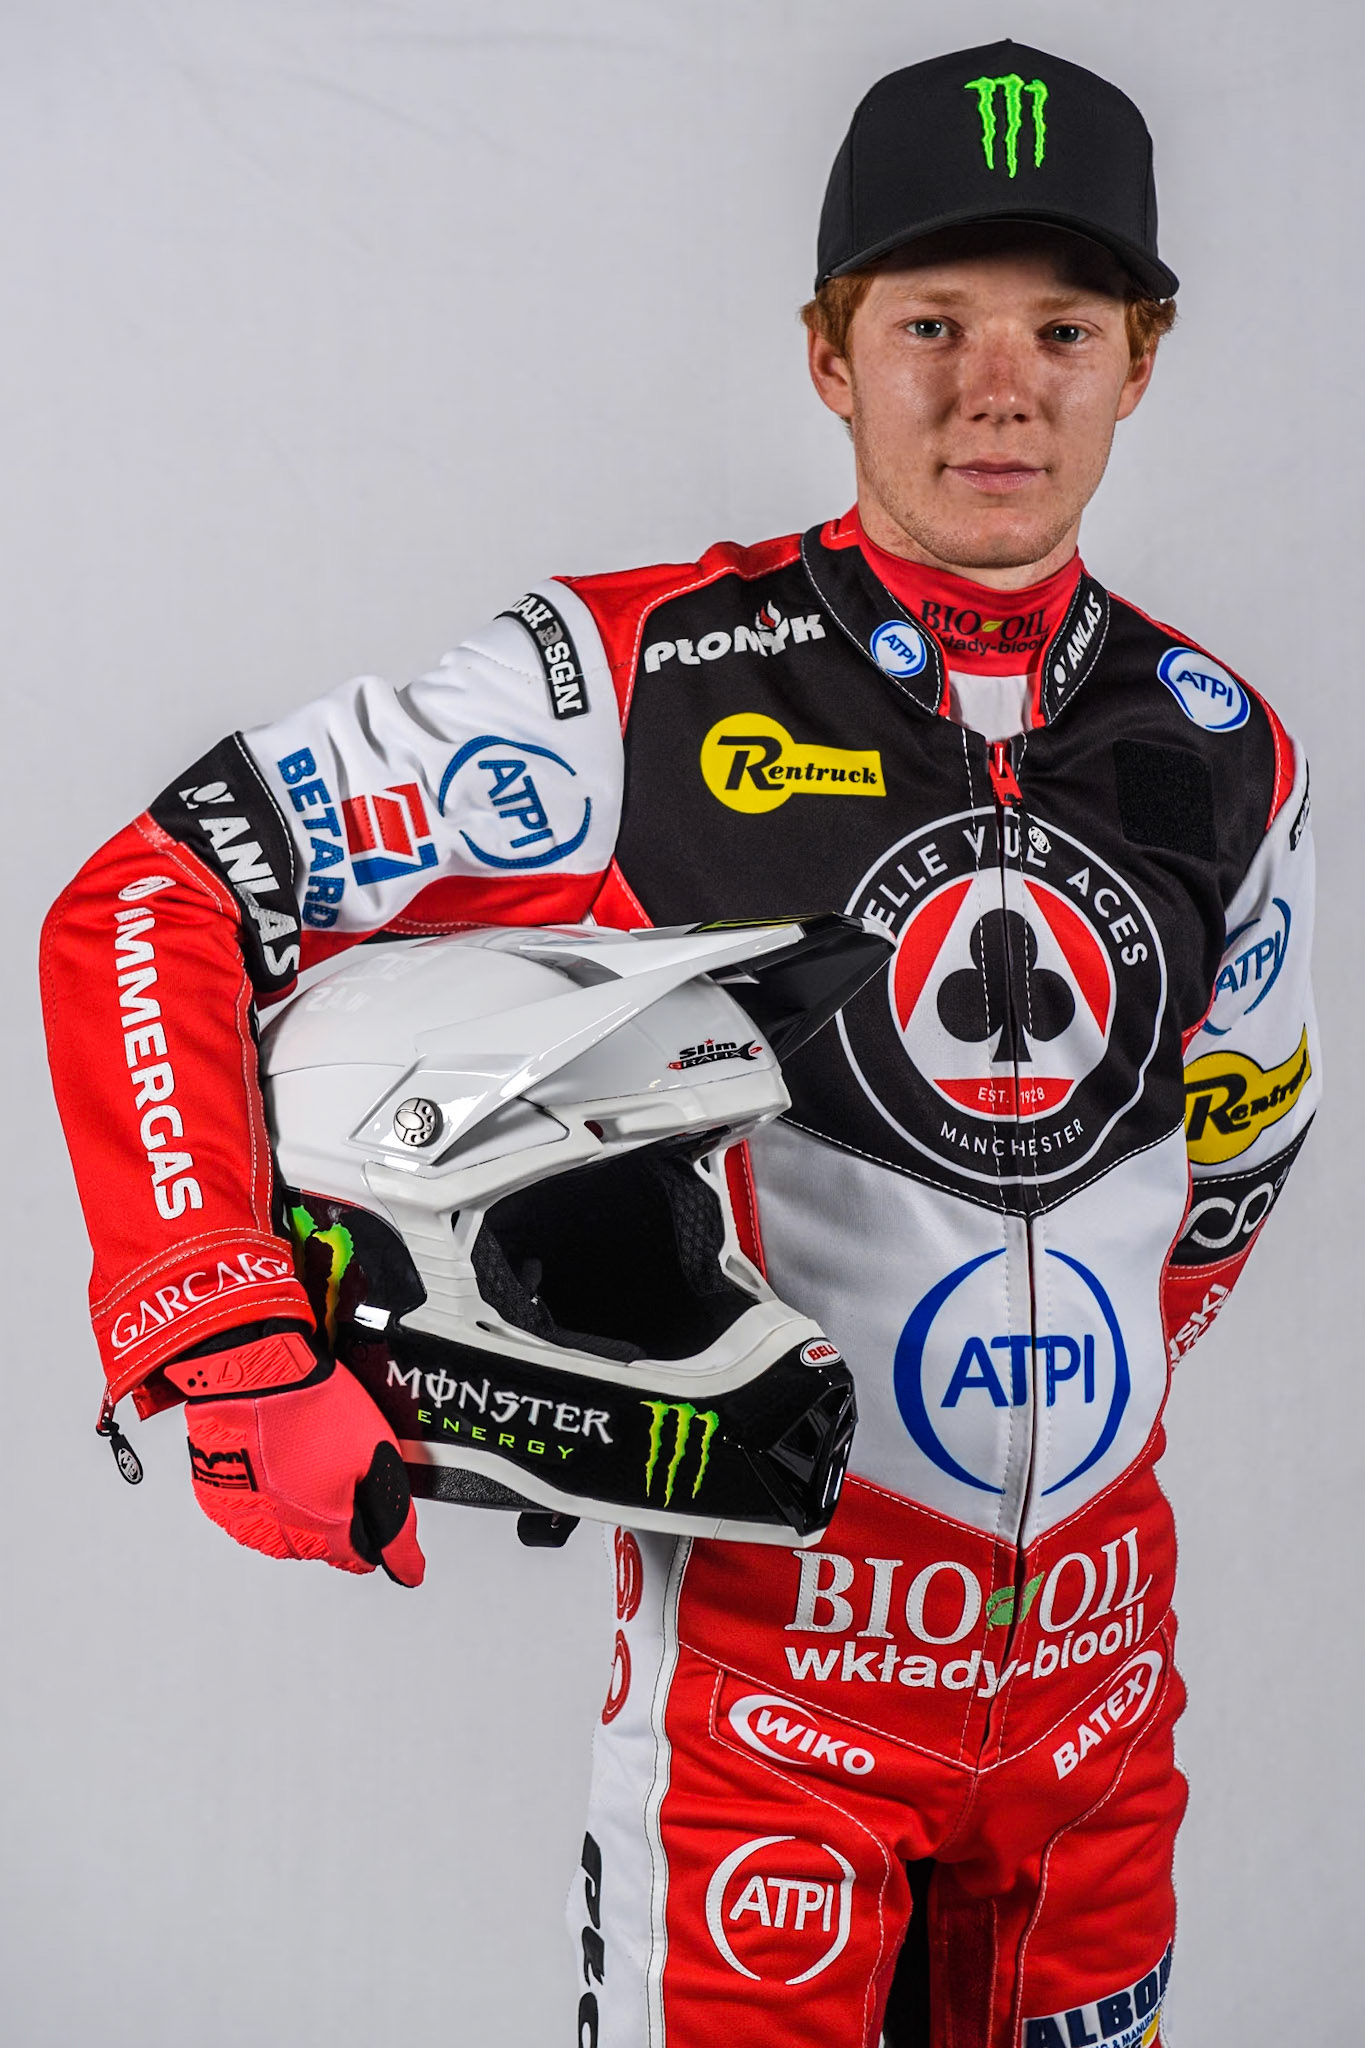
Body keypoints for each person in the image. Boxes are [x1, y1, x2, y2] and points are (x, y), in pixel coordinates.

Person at [40, 38, 1317, 2048]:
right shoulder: (625, 683)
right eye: (929, 322)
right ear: (826, 351)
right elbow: (151, 894)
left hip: (1098, 1722)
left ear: (1137, 358)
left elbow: (1231, 1158)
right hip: (768, 1728)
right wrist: (215, 1320)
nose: (998, 381)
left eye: (1060, 324)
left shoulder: (1230, 745)